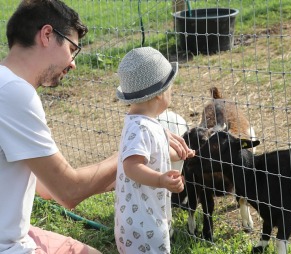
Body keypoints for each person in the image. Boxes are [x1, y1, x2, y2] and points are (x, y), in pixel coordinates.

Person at [0, 2, 192, 254]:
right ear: (47, 35)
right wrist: (136, 149)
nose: (73, 63)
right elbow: (69, 192)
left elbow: (48, 190)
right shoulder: (14, 93)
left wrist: (133, 169)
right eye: (72, 49)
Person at [114, 47, 195, 254]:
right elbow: (132, 166)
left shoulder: (146, 122)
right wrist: (161, 180)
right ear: (159, 95)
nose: (171, 94)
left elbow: (155, 152)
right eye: (170, 90)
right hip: (143, 223)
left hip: (143, 217)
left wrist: (180, 154)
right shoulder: (140, 127)